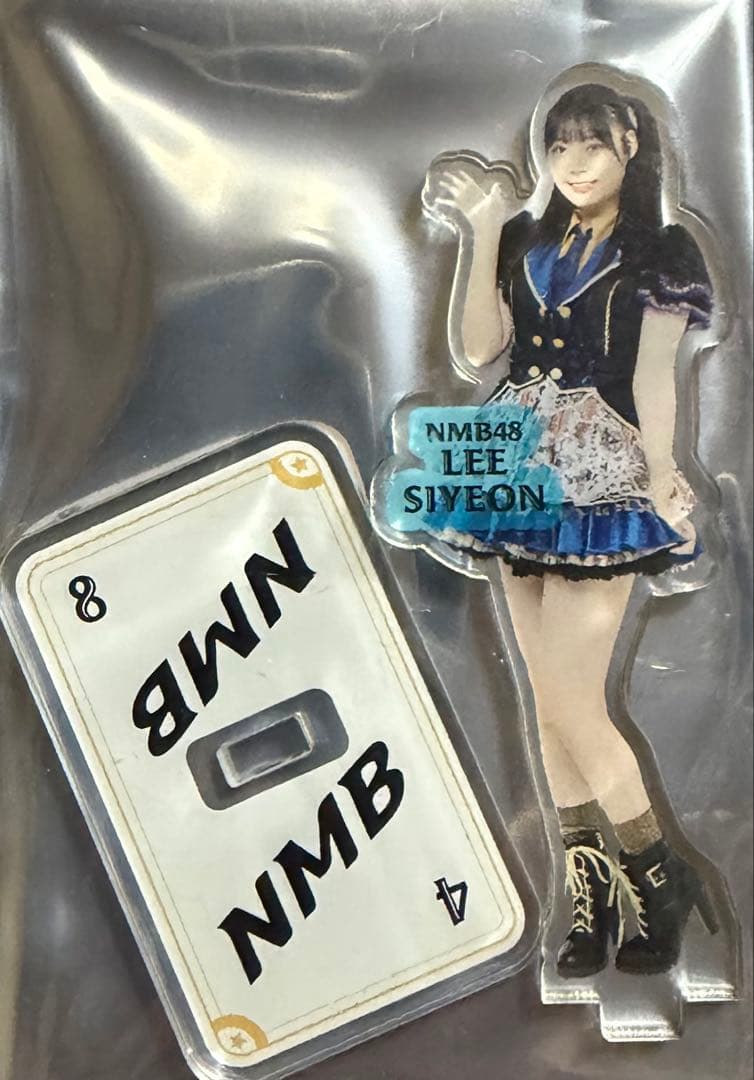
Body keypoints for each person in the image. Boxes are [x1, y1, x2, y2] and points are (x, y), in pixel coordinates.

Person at [431, 83, 718, 977]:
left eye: (592, 145)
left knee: (571, 701)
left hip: (602, 469)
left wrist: (663, 473)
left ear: (630, 145)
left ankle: (658, 873)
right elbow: (480, 349)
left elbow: (657, 375)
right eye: (559, 148)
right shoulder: (527, 238)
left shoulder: (662, 252)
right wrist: (483, 231)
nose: (575, 163)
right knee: (542, 702)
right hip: (516, 459)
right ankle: (589, 897)